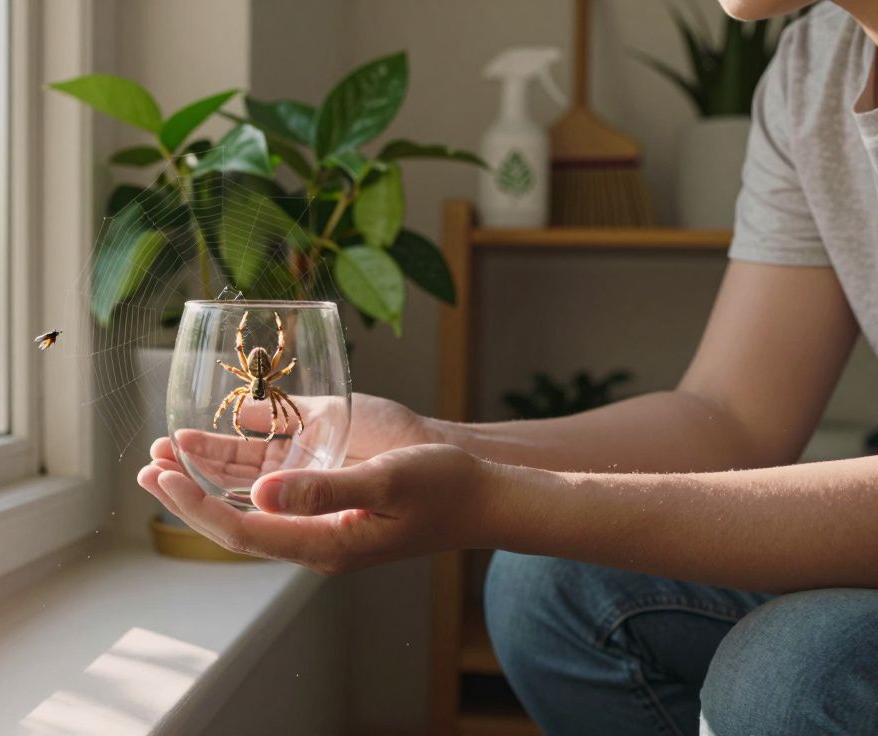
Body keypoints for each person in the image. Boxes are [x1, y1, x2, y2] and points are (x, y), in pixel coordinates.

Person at [138, 1, 878, 734]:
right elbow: (733, 418)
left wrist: (498, 501)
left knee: (789, 674)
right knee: (544, 585)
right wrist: (442, 441)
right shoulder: (815, 73)